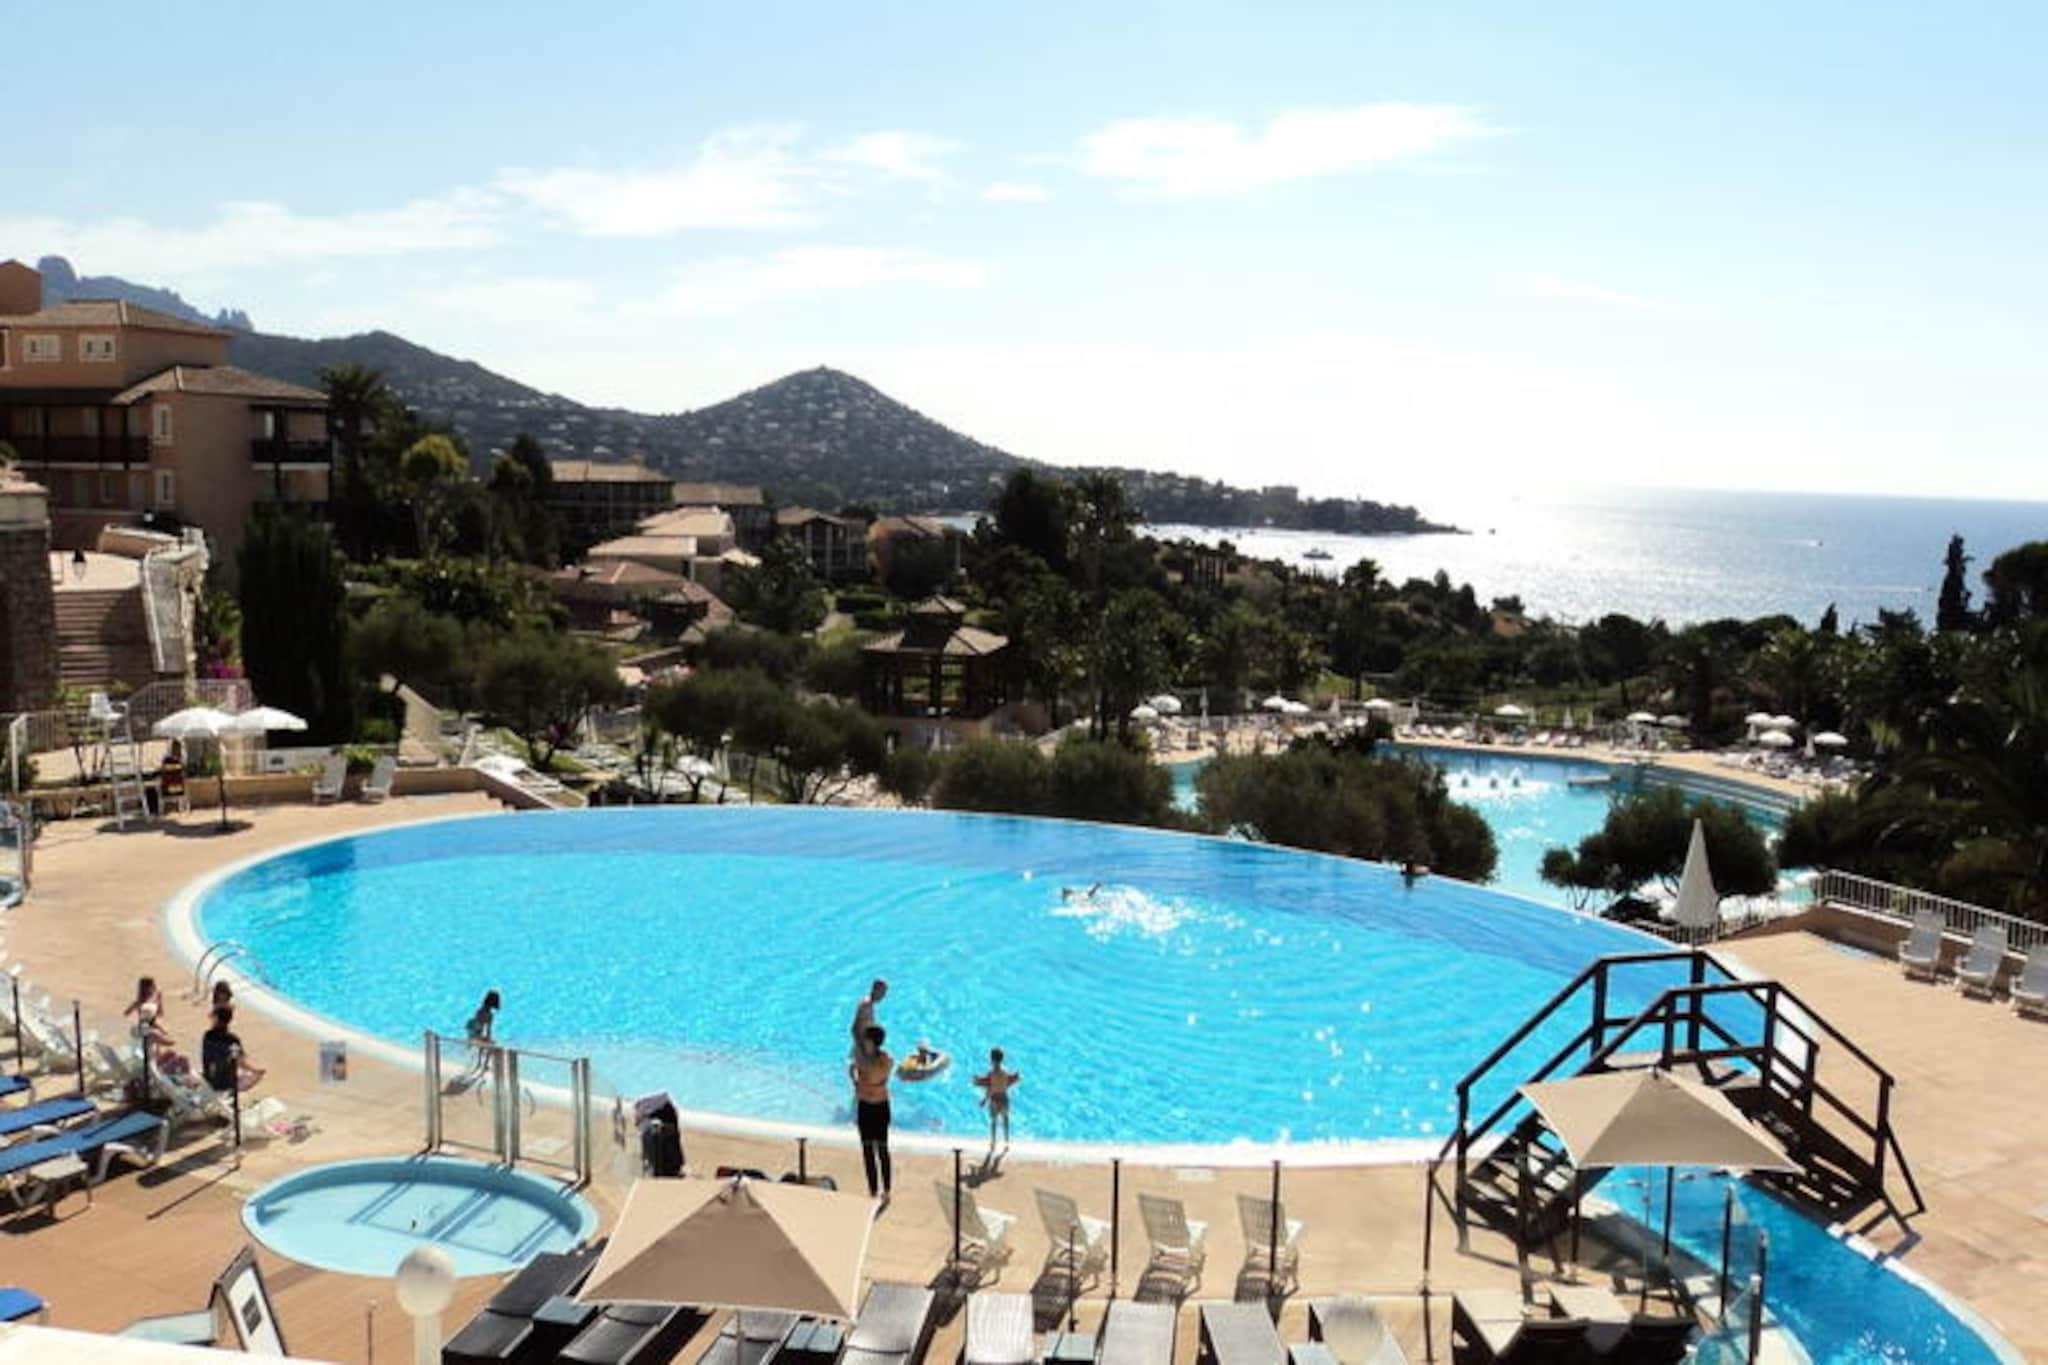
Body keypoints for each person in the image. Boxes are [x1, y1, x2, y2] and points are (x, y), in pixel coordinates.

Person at [850, 1025, 893, 1200]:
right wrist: (857, 1079)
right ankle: (873, 1189)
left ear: (873, 1042)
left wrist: (859, 1079)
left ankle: (886, 1189)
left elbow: (872, 1077)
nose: (864, 1043)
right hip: (866, 1106)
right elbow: (856, 1072)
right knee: (868, 1150)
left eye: (866, 1040)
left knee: (881, 1149)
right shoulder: (867, 1060)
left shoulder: (884, 1060)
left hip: (878, 1107)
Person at [200, 1005, 264, 1092]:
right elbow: (239, 1062)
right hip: (227, 1083)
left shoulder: (208, 1036)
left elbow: (207, 1060)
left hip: (210, 1080)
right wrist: (254, 1071)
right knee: (249, 1075)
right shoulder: (233, 1040)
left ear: (216, 1019)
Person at [973, 1047, 1020, 1149]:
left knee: (993, 1121)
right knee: (1005, 1120)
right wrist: (1015, 1077)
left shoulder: (991, 1073)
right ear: (1002, 1059)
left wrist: (984, 1100)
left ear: (992, 1060)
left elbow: (990, 1088)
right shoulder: (1005, 1072)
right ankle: (1006, 1141)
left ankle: (993, 1142)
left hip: (994, 1099)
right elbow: (1007, 1084)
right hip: (1004, 1098)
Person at [849, 979, 887, 1060]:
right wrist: (862, 1048)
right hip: (862, 1047)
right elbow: (854, 1028)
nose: (883, 996)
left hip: (865, 1046)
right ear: (875, 990)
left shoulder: (869, 1004)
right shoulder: (866, 1005)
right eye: (882, 992)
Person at [159, 740, 187, 813]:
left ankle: (174, 807)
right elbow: (180, 771)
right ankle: (176, 807)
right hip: (174, 788)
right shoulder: (173, 760)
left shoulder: (175, 760)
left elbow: (164, 770)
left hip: (172, 788)